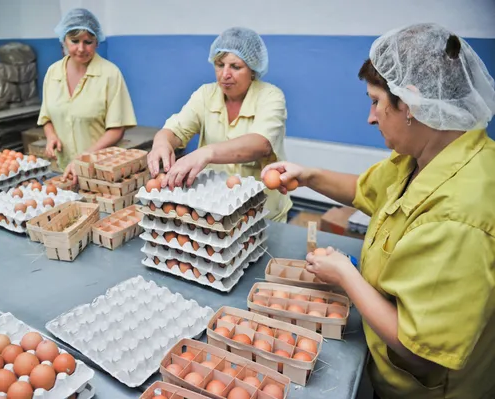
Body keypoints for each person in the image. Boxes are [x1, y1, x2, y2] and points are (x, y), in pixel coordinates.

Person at [263, 23, 495, 398]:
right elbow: (368, 190)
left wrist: (345, 275)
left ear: (411, 103)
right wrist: (308, 175)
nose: (371, 117)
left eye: (376, 101)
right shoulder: (427, 156)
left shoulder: (460, 214)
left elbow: (421, 352)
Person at [147, 27, 292, 222]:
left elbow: (261, 143)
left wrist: (206, 153)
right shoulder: (206, 95)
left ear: (253, 70)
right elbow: (174, 130)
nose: (225, 74)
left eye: (236, 66)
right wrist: (161, 143)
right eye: (219, 64)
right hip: (214, 213)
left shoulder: (271, 96)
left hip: (261, 213)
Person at [37, 8, 137, 178]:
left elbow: (116, 129)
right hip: (65, 170)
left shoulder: (110, 74)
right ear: (64, 41)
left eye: (88, 42)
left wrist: (84, 158)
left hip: (102, 171)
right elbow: (46, 117)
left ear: (97, 42)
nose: (81, 48)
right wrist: (51, 136)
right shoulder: (53, 73)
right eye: (74, 41)